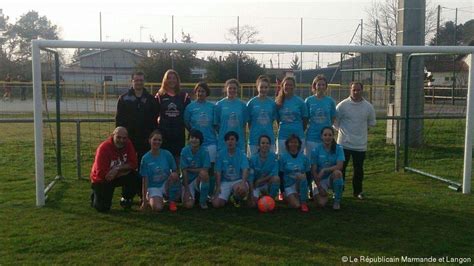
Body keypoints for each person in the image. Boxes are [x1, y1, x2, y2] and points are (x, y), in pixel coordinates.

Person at [334, 81, 376, 200]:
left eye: (358, 90)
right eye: (354, 90)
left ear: (362, 90)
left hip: (360, 145)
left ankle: (358, 191)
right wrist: (346, 134)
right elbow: (335, 123)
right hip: (343, 144)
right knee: (341, 169)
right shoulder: (342, 106)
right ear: (350, 90)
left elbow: (371, 123)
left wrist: (360, 133)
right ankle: (339, 191)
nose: (356, 92)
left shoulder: (368, 107)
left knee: (358, 170)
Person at [89, 127, 140, 212]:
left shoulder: (128, 144)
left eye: (124, 138)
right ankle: (95, 195)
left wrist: (117, 169)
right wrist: (122, 171)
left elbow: (134, 163)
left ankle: (126, 198)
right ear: (112, 136)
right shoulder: (103, 148)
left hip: (116, 174)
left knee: (135, 176)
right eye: (118, 137)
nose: (121, 140)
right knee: (103, 208)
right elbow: (101, 174)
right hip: (102, 179)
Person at [116, 71, 159, 164]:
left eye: (141, 80)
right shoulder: (123, 98)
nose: (139, 82)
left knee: (144, 163)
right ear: (132, 81)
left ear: (144, 81)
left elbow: (155, 119)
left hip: (146, 138)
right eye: (136, 80)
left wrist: (153, 135)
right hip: (128, 138)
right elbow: (119, 120)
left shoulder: (151, 99)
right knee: (127, 163)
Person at [155, 69, 191, 166]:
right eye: (169, 78)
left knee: (178, 161)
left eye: (174, 78)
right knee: (164, 162)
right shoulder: (159, 96)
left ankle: (178, 180)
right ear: (165, 80)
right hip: (164, 134)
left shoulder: (184, 96)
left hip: (178, 134)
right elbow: (154, 114)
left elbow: (189, 115)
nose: (171, 80)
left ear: (177, 80)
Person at [139, 130, 181, 212]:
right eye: (155, 139)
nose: (157, 142)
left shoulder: (167, 154)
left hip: (166, 184)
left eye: (159, 140)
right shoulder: (145, 158)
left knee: (174, 175)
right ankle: (151, 197)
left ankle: (171, 201)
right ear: (149, 140)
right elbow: (145, 180)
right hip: (153, 187)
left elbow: (175, 170)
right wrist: (144, 201)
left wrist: (174, 182)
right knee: (158, 208)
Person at [212, 131, 249, 208]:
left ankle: (236, 197)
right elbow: (218, 172)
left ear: (236, 141)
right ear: (225, 142)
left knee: (242, 190)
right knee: (216, 204)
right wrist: (218, 186)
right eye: (228, 140)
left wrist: (243, 183)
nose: (230, 141)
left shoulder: (241, 154)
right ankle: (228, 196)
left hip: (237, 181)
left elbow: (245, 169)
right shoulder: (220, 154)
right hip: (225, 181)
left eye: (232, 139)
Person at [310, 127, 345, 210]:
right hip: (320, 180)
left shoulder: (339, 148)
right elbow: (313, 170)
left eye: (330, 135)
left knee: (338, 173)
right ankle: (322, 192)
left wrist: (325, 170)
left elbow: (340, 166)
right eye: (325, 135)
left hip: (331, 178)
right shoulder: (316, 150)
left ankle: (337, 201)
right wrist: (319, 186)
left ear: (333, 136)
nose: (327, 137)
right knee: (321, 204)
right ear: (321, 137)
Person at [184, 82, 217, 164]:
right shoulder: (190, 107)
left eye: (203, 91)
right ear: (195, 92)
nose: (200, 93)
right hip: (195, 143)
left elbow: (215, 124)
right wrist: (194, 132)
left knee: (210, 168)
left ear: (207, 93)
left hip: (210, 142)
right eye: (198, 91)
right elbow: (186, 123)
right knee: (196, 167)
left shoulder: (212, 107)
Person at [275, 76, 308, 155]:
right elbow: (278, 119)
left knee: (298, 160)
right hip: (283, 136)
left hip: (298, 136)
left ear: (294, 86)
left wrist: (297, 129)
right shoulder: (278, 102)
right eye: (286, 85)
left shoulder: (300, 102)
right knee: (282, 160)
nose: (288, 87)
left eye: (291, 85)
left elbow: (305, 120)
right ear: (282, 86)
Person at [305, 75, 336, 155]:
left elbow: (332, 118)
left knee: (324, 163)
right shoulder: (309, 100)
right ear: (314, 86)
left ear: (326, 86)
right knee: (310, 162)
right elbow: (305, 118)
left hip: (326, 138)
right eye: (319, 84)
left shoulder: (330, 101)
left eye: (323, 85)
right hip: (312, 137)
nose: (321, 87)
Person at [214, 78, 248, 151]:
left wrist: (244, 141)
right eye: (230, 88)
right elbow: (216, 125)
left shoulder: (242, 105)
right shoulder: (219, 105)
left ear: (237, 89)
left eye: (234, 88)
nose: (232, 90)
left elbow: (244, 125)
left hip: (239, 141)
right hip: (223, 141)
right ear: (226, 89)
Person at [278, 134, 310, 212]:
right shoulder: (283, 157)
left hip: (300, 185)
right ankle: (293, 197)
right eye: (291, 142)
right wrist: (282, 191)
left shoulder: (304, 158)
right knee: (296, 205)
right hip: (288, 186)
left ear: (299, 144)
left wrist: (305, 188)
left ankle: (303, 202)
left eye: (295, 142)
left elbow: (309, 175)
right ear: (287, 144)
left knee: (301, 176)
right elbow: (280, 175)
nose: (293, 144)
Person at [180, 129, 211, 209]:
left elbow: (205, 169)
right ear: (189, 139)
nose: (194, 140)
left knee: (204, 174)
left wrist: (189, 169)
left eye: (196, 138)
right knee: (188, 206)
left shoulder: (204, 151)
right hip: (187, 181)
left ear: (200, 140)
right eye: (192, 137)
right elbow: (184, 171)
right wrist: (187, 189)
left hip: (198, 179)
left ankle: (202, 201)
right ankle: (191, 195)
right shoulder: (184, 151)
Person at [246, 75, 277, 157]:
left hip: (269, 138)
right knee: (253, 164)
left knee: (269, 163)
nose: (263, 89)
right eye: (261, 87)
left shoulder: (272, 103)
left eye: (266, 87)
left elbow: (273, 120)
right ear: (257, 87)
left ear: (268, 88)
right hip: (254, 139)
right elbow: (249, 122)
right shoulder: (251, 103)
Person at [248, 135, 280, 208]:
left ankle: (271, 199)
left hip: (267, 183)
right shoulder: (253, 159)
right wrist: (251, 193)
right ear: (259, 145)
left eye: (267, 143)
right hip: (256, 186)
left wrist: (261, 180)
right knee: (252, 205)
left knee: (276, 178)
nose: (265, 145)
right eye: (263, 143)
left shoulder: (274, 157)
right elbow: (250, 177)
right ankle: (260, 196)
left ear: (270, 145)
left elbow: (274, 173)